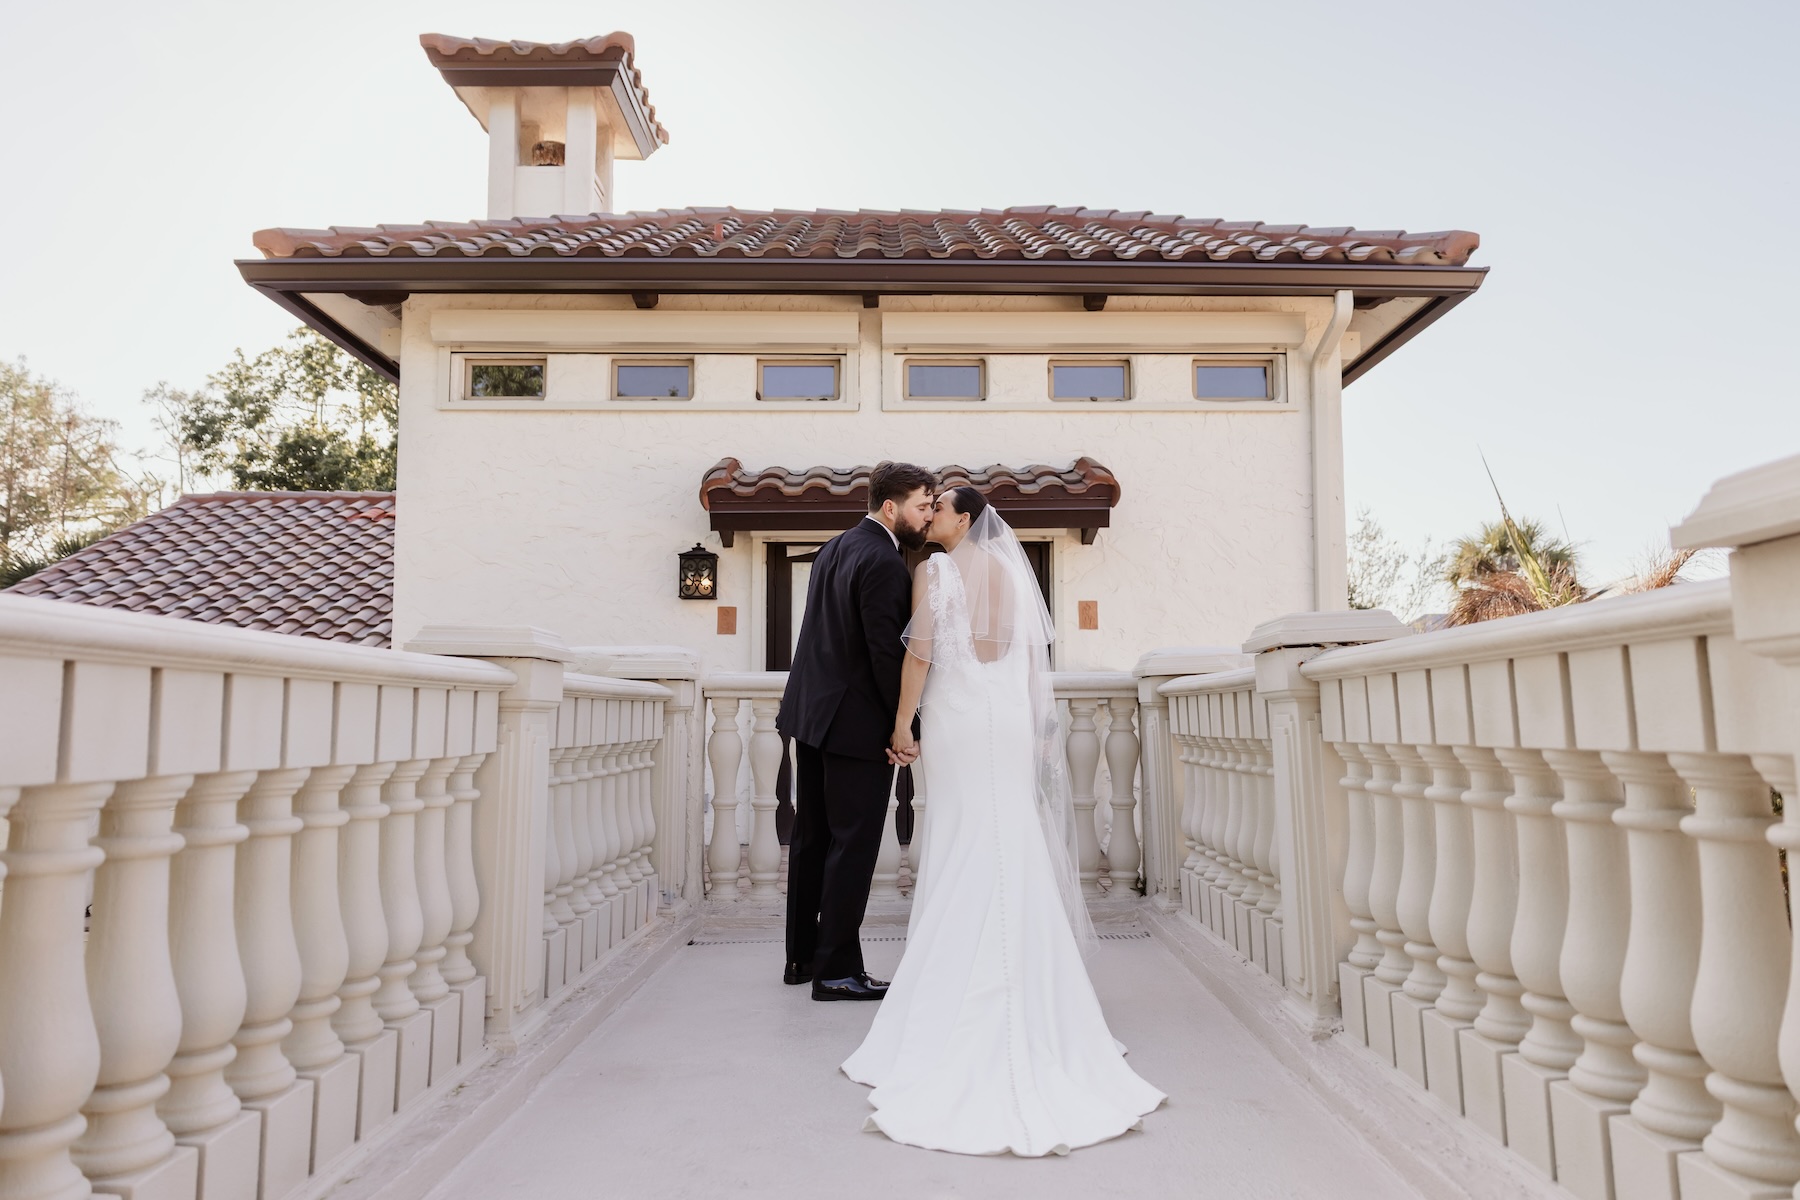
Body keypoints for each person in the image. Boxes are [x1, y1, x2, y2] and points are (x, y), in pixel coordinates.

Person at [841, 485, 1166, 1155]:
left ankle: (963, 994)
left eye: (938, 509)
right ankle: (1037, 994)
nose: (927, 516)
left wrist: (903, 722)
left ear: (964, 519)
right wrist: (1036, 728)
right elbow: (1023, 661)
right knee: (1005, 839)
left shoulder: (934, 571)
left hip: (960, 718)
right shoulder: (1011, 573)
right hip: (1008, 720)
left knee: (963, 840)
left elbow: (922, 653)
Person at [778, 461, 936, 1000]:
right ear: (890, 507)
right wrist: (902, 727)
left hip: (813, 717)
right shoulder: (886, 562)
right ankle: (838, 971)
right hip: (854, 726)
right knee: (854, 846)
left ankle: (801, 959)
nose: (928, 515)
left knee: (811, 840)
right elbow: (883, 654)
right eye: (921, 506)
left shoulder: (834, 547)